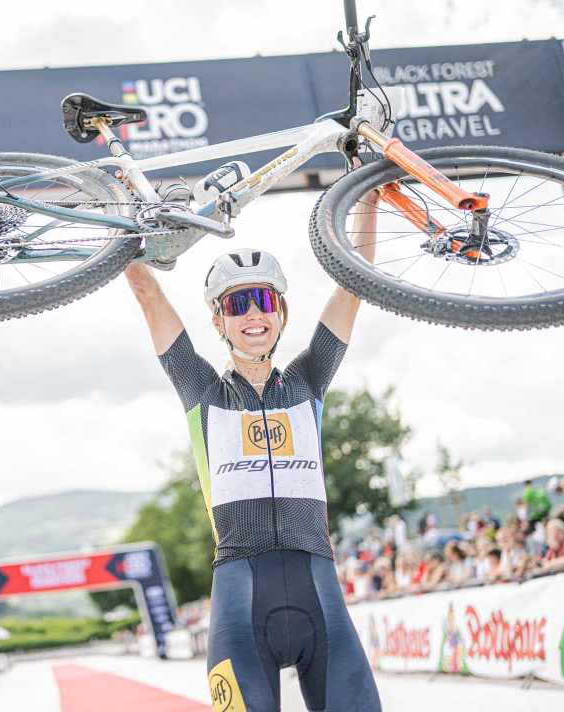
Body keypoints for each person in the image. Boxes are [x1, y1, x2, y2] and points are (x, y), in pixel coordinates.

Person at [124, 187, 382, 712]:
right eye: (236, 305)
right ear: (218, 321)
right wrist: (121, 215)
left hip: (318, 587)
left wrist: (370, 199)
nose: (252, 315)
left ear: (281, 313)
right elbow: (147, 292)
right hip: (240, 596)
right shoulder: (202, 390)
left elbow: (353, 285)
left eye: (263, 300)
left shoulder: (309, 381)